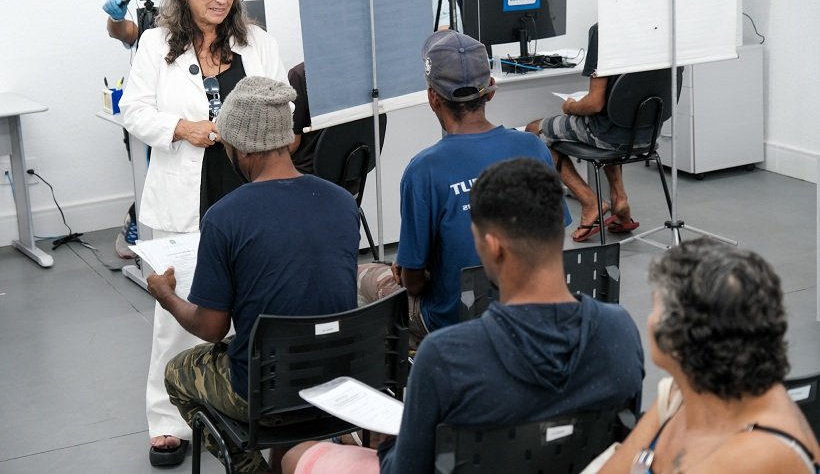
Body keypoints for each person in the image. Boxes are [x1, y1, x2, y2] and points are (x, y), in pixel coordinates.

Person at [281, 157, 644, 474]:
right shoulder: (619, 331)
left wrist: (392, 438)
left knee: (294, 455)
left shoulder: (447, 357)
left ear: (493, 245)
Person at [119, 0, 287, 466]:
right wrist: (179, 128)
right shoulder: (154, 44)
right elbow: (133, 109)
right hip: (183, 195)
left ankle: (241, 404)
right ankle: (168, 421)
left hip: (248, 189)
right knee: (178, 310)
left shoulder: (255, 41)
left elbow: (285, 99)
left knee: (254, 303)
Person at [147, 76, 360, 474]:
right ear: (290, 140)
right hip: (343, 374)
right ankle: (323, 439)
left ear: (237, 147)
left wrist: (167, 296)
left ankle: (253, 467)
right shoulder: (341, 201)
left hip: (267, 386)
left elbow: (211, 328)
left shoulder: (225, 217)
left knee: (178, 372)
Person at [358, 29, 571, 347]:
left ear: (432, 98)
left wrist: (412, 270)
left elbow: (413, 284)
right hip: (528, 311)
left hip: (452, 325)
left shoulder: (424, 170)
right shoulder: (534, 148)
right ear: (491, 90)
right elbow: (556, 239)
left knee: (362, 276)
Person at [600, 238, 820, 474]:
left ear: (680, 338)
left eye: (655, 307)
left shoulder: (757, 455)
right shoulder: (684, 392)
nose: (649, 319)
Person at [103, 0, 193, 259]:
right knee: (158, 174)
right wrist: (116, 18)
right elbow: (125, 32)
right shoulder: (159, 18)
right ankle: (135, 222)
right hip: (159, 116)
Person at [526, 19, 644, 243]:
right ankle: (620, 199)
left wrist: (572, 107)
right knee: (612, 115)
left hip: (610, 135)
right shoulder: (660, 27)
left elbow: (594, 104)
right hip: (646, 131)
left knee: (535, 131)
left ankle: (590, 202)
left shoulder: (605, 30)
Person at [287, 62, 322, 173]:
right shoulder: (369, 70)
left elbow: (292, 143)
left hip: (311, 173)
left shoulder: (301, 75)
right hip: (356, 166)